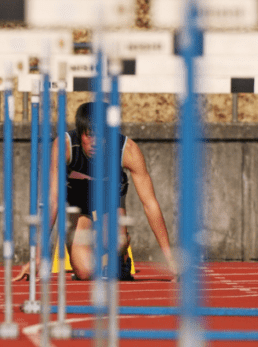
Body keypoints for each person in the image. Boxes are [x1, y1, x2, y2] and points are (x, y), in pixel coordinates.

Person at [16, 101, 176, 281]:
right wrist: (36, 257)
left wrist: (169, 258)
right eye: (89, 135)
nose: (95, 143)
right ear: (79, 132)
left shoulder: (127, 150)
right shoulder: (64, 147)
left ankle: (121, 254)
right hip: (76, 202)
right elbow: (53, 201)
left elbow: (150, 204)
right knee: (85, 272)